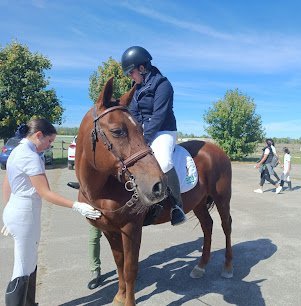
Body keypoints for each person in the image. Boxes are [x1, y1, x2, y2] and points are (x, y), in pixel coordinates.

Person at [1, 119, 101, 306]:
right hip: (24, 214)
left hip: (17, 211)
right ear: (39, 135)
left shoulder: (18, 151)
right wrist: (76, 205)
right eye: (49, 141)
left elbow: (7, 184)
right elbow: (45, 193)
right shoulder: (30, 157)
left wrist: (7, 212)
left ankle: (29, 303)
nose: (49, 146)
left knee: (29, 263)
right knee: (22, 268)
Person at [121, 45, 186, 226]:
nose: (130, 76)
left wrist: (143, 140)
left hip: (163, 131)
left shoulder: (163, 84)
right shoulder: (136, 88)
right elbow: (131, 113)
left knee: (163, 161)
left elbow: (158, 116)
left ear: (142, 68)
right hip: (142, 132)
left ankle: (176, 206)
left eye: (131, 72)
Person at [67, 182, 102, 290]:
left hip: (112, 197)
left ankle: (126, 268)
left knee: (119, 237)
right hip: (95, 199)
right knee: (94, 237)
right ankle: (95, 270)